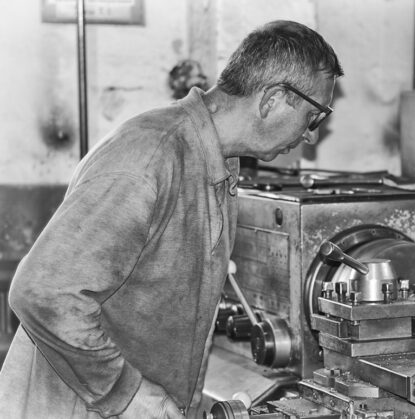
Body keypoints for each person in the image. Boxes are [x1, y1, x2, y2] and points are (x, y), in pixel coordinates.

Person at [0, 20, 343, 419]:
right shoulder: (150, 156)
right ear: (272, 99)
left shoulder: (217, 162)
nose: (311, 136)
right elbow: (43, 294)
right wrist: (127, 395)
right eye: (313, 117)